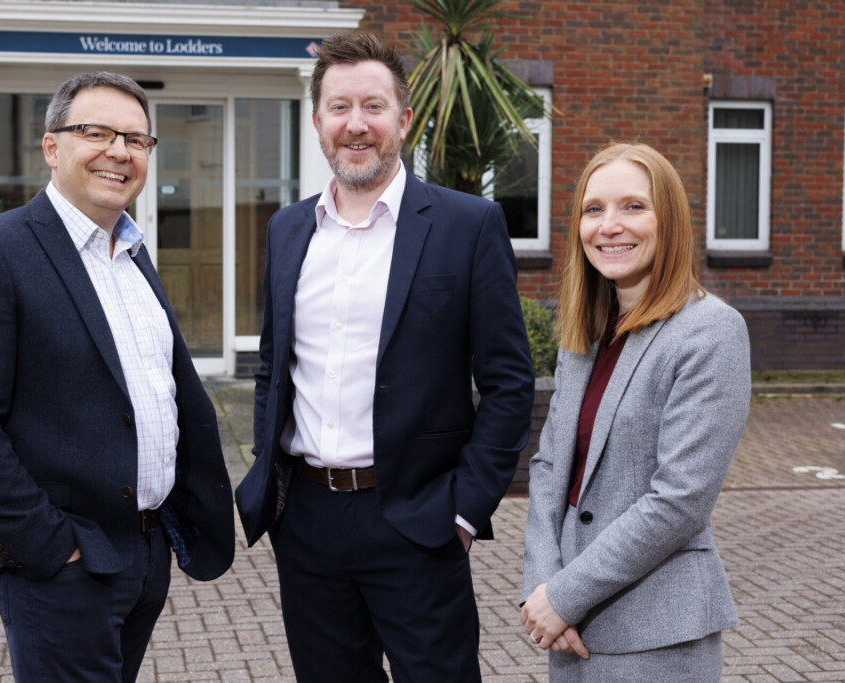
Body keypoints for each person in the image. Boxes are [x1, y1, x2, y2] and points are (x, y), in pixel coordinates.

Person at [235, 32, 535, 682]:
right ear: (317, 122)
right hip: (307, 520)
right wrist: (270, 474)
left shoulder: (467, 225)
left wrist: (462, 509)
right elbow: (272, 367)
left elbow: (510, 383)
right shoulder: (288, 229)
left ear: (402, 119)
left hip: (418, 520)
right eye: (339, 108)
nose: (356, 124)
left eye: (373, 106)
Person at [0, 72, 235, 682]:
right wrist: (51, 546)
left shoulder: (133, 253)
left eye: (136, 140)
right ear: (52, 147)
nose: (118, 151)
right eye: (96, 132)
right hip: (64, 563)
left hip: (146, 551)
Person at [519, 142, 751, 680]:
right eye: (593, 209)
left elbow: (679, 500)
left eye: (633, 207)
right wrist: (542, 588)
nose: (609, 226)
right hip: (567, 628)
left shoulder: (710, 331)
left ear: (667, 220)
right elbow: (550, 467)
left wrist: (564, 596)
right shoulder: (586, 332)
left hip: (656, 633)